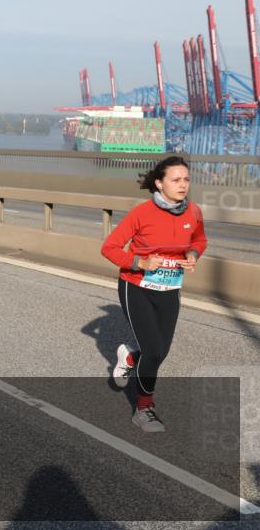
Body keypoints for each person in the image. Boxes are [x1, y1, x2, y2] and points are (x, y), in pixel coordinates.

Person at [101, 156, 206, 433]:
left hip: (169, 288)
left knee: (160, 352)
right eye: (176, 179)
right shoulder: (141, 213)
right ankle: (143, 409)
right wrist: (140, 262)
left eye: (186, 179)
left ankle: (130, 358)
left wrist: (193, 254)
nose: (183, 185)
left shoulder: (193, 212)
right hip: (136, 286)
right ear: (159, 183)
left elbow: (199, 239)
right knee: (154, 350)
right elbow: (109, 247)